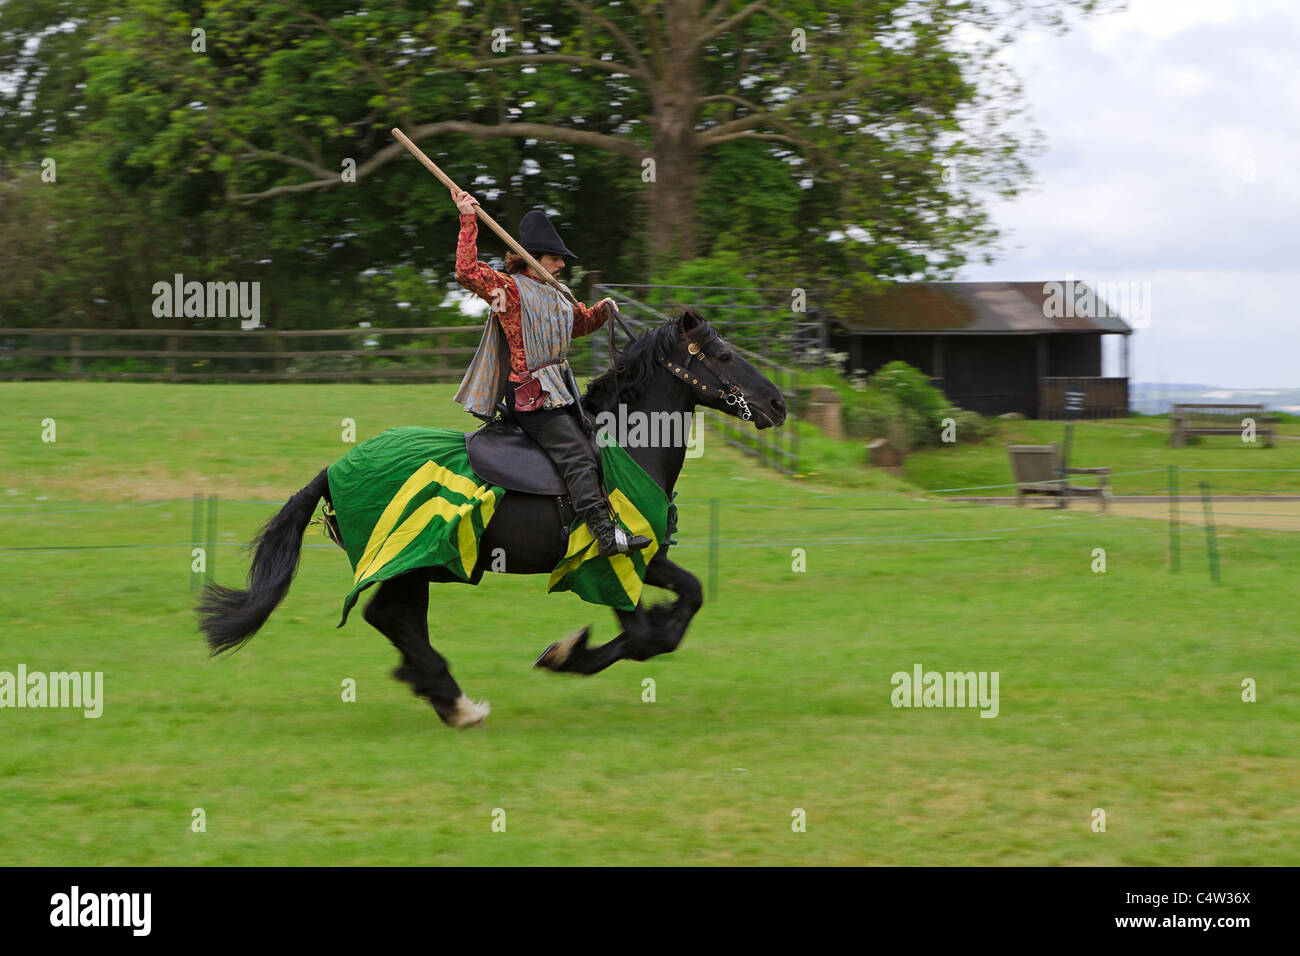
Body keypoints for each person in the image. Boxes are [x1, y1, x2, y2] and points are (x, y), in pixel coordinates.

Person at [450, 188, 650, 558]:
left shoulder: (558, 293)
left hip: (563, 393)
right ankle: (605, 536)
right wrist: (467, 218)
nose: (560, 265)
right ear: (532, 258)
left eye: (560, 259)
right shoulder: (507, 291)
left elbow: (576, 326)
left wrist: (600, 312)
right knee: (577, 456)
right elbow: (465, 271)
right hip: (532, 398)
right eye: (554, 258)